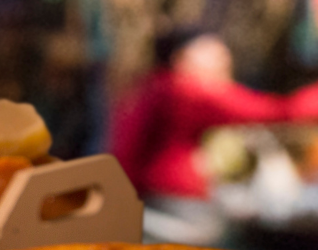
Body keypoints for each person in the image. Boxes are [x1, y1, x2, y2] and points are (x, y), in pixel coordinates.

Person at [109, 32, 291, 199]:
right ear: (181, 58)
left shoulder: (155, 87)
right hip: (167, 196)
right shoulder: (183, 91)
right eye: (213, 55)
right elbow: (273, 111)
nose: (223, 61)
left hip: (148, 194)